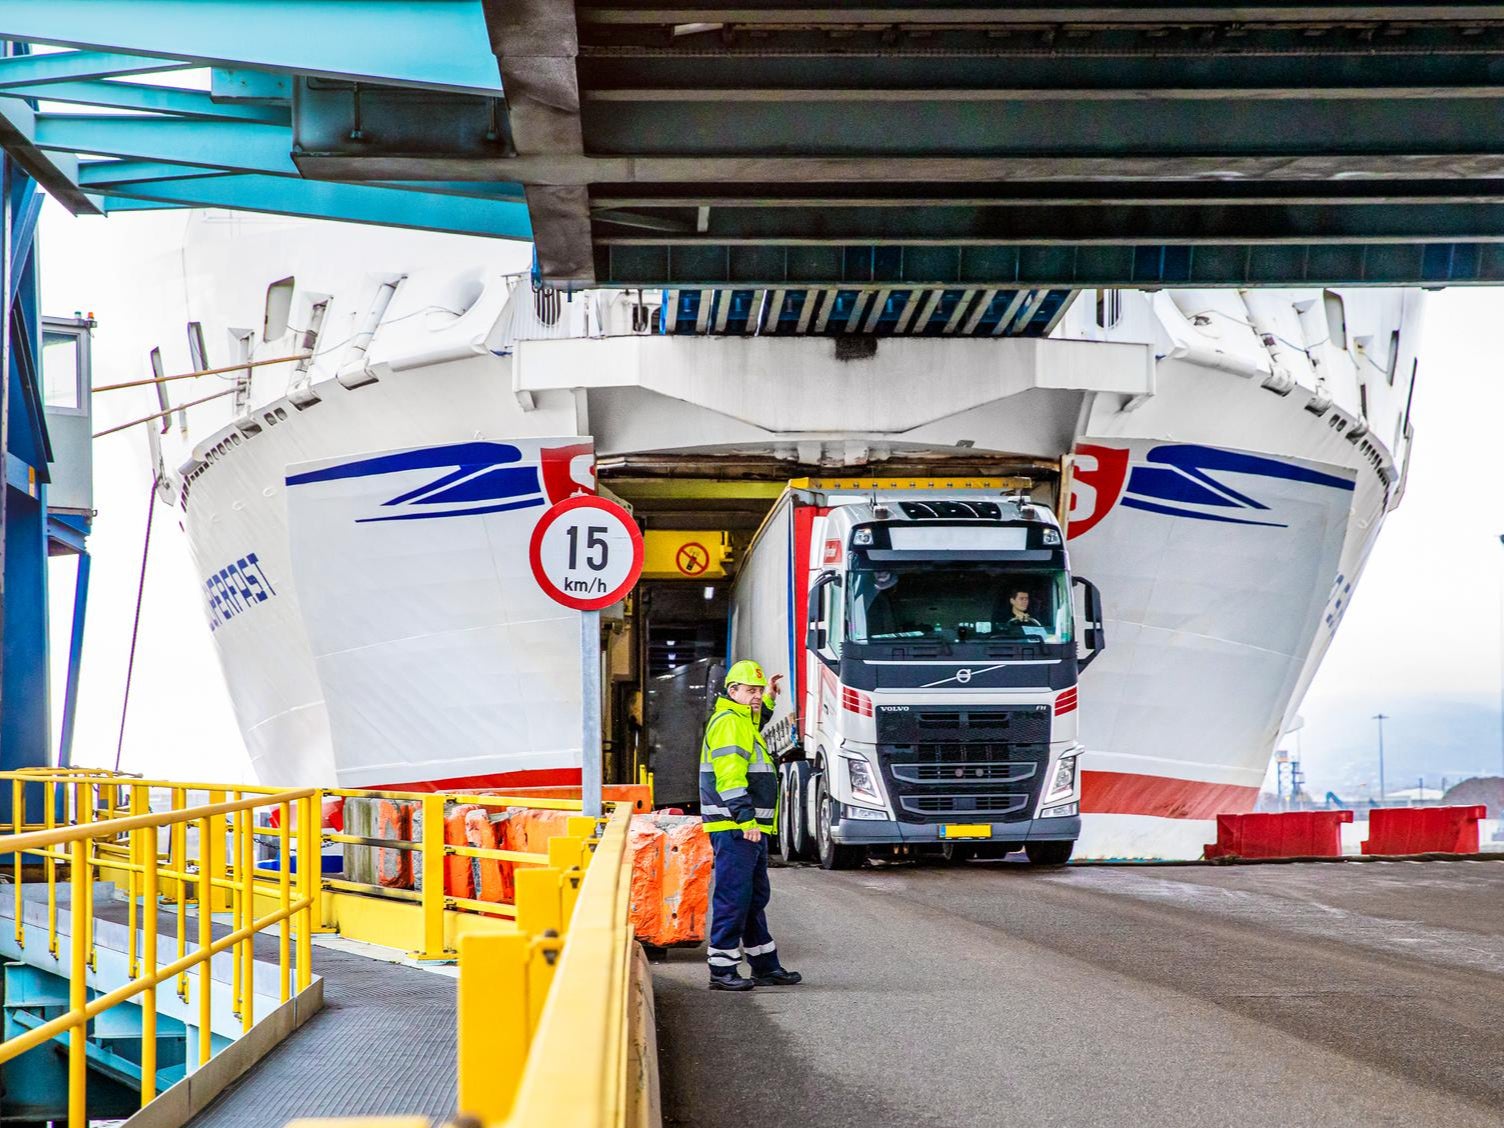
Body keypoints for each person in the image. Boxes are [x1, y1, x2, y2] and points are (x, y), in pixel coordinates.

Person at [699, 660, 803, 991]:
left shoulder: (742, 719)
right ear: (733, 691)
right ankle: (722, 970)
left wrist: (770, 698)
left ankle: (764, 965)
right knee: (734, 897)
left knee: (753, 896)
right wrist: (746, 819)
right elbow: (729, 778)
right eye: (751, 691)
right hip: (735, 826)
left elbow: (757, 720)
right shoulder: (729, 723)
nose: (756, 696)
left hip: (744, 827)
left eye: (759, 690)